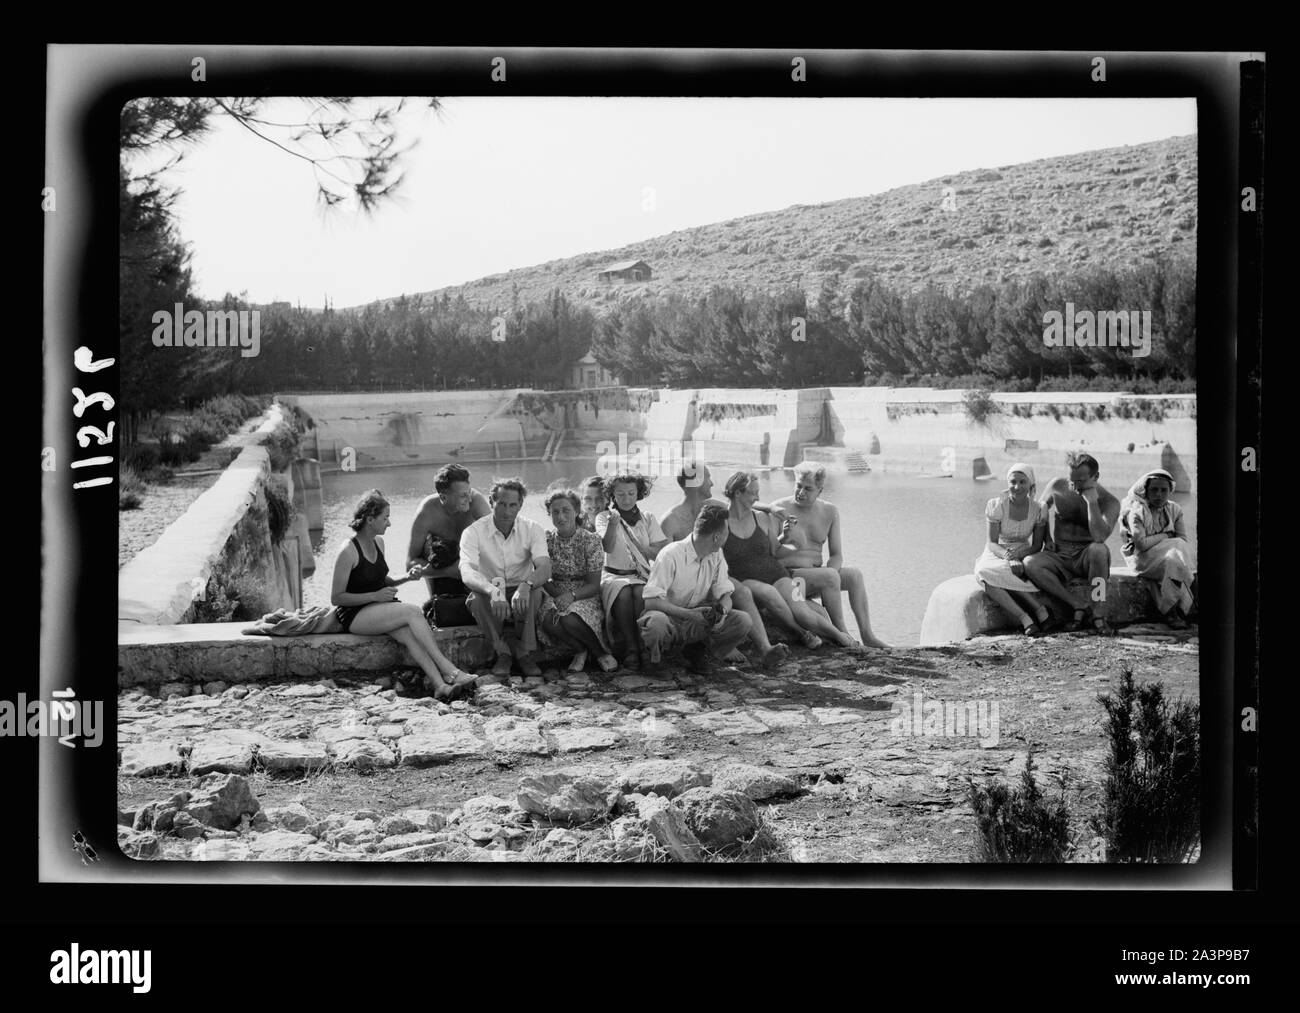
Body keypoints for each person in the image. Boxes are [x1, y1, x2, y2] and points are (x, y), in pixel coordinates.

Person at [330, 489, 476, 701]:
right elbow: (337, 597)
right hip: (354, 614)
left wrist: (407, 577)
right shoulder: (348, 550)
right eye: (385, 518)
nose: (389, 524)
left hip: (378, 608)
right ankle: (450, 671)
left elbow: (382, 580)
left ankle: (440, 686)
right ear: (370, 519)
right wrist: (375, 596)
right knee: (413, 611)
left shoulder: (378, 543)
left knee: (409, 634)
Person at [723, 470, 856, 653]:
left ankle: (839, 636)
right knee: (772, 596)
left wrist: (790, 542)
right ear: (738, 493)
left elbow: (775, 550)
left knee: (803, 612)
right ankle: (804, 633)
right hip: (746, 579)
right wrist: (771, 508)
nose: (758, 497)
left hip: (778, 575)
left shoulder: (760, 518)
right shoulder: (722, 522)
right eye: (753, 493)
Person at [772, 462, 889, 649]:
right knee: (828, 576)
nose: (801, 492)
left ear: (820, 489)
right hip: (791, 579)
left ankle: (868, 635)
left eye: (808, 488)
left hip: (817, 576)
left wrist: (831, 573)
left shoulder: (830, 511)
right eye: (798, 486)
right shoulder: (779, 509)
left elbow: (836, 555)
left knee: (854, 575)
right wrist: (829, 576)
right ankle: (843, 635)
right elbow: (770, 551)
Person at [639, 504, 754, 675]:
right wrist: (688, 614)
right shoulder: (670, 554)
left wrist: (722, 611)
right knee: (656, 624)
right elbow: (651, 601)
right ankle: (654, 661)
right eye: (726, 532)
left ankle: (699, 652)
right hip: (669, 616)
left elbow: (725, 594)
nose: (727, 536)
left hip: (698, 617)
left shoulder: (716, 554)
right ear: (717, 537)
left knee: (743, 620)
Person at [459, 477, 552, 679]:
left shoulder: (532, 528)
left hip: (522, 588)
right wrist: (492, 591)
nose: (507, 511)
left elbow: (544, 568)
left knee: (536, 592)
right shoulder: (473, 532)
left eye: (512, 505)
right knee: (475, 598)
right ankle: (503, 652)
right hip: (491, 588)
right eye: (501, 504)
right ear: (492, 502)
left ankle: (524, 652)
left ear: (520, 506)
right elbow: (467, 571)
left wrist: (526, 585)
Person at [1024, 452, 1121, 635]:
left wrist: (1092, 503)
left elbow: (1099, 537)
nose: (1075, 487)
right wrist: (1048, 539)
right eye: (1072, 481)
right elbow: (1040, 512)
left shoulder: (1110, 502)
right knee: (1030, 563)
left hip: (1087, 557)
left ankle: (1098, 610)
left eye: (1081, 482)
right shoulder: (1057, 486)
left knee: (1099, 550)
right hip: (1060, 555)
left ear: (1096, 477)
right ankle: (1077, 604)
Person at [538, 487, 619, 673]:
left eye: (566, 510)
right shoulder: (546, 541)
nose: (561, 516)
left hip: (583, 593)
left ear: (576, 511)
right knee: (548, 619)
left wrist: (571, 596)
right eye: (555, 512)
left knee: (569, 617)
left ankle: (600, 653)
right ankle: (580, 650)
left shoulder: (590, 540)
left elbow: (593, 584)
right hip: (556, 591)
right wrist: (559, 596)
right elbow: (543, 576)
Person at [973, 464, 1058, 636]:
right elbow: (992, 542)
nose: (1017, 487)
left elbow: (1036, 545)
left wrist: (1018, 555)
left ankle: (1040, 612)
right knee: (984, 572)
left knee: (1007, 571)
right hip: (998, 549)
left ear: (1030, 485)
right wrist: (1008, 556)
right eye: (1013, 482)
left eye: (1022, 482)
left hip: (1023, 549)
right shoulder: (996, 505)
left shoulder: (1038, 508)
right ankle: (1027, 617)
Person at [596, 472, 669, 670]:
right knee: (624, 592)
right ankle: (631, 648)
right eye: (620, 494)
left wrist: (640, 547)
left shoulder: (647, 518)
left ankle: (643, 646)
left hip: (641, 574)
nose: (626, 499)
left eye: (631, 493)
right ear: (612, 495)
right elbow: (607, 547)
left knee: (639, 591)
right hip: (613, 575)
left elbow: (661, 550)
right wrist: (613, 524)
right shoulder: (604, 517)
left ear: (639, 494)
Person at [1120, 469, 1196, 629]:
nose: (1159, 495)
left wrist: (1166, 539)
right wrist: (1166, 536)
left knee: (1174, 557)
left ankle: (1174, 609)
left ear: (1170, 491)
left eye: (1164, 490)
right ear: (1145, 491)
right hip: (1141, 559)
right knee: (1175, 557)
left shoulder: (1175, 509)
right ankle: (1172, 611)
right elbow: (1141, 545)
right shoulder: (1137, 512)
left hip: (1168, 556)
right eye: (1154, 490)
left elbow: (1182, 540)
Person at [405, 464, 490, 601]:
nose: (469, 499)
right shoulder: (427, 512)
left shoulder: (476, 502)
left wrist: (466, 567)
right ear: (444, 498)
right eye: (463, 496)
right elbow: (410, 564)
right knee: (433, 547)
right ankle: (438, 602)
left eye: (469, 492)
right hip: (442, 573)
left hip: (473, 568)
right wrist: (448, 571)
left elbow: (498, 543)